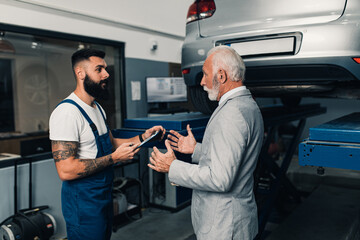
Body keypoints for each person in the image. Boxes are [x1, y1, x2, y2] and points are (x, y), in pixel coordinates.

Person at [148, 45, 264, 240]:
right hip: (235, 220)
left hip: (225, 226)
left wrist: (173, 166)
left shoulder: (231, 114)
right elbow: (233, 157)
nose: (201, 81)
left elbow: (220, 179)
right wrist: (196, 150)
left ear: (221, 75)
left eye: (204, 74)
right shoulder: (248, 105)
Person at [49, 48, 165, 240]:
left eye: (105, 68)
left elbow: (111, 144)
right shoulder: (67, 113)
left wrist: (144, 138)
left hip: (102, 198)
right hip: (82, 204)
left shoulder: (97, 108)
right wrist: (113, 159)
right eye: (99, 69)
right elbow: (65, 170)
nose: (107, 74)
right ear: (80, 73)